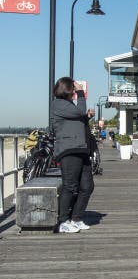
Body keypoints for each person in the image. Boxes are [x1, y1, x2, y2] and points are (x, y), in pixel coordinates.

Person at [51, 77, 95, 234]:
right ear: (67, 89)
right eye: (74, 89)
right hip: (69, 150)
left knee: (87, 186)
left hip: (81, 149)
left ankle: (75, 218)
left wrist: (87, 118)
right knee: (70, 186)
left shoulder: (68, 105)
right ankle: (63, 221)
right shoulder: (58, 104)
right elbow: (80, 111)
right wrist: (82, 93)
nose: (75, 92)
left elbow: (78, 117)